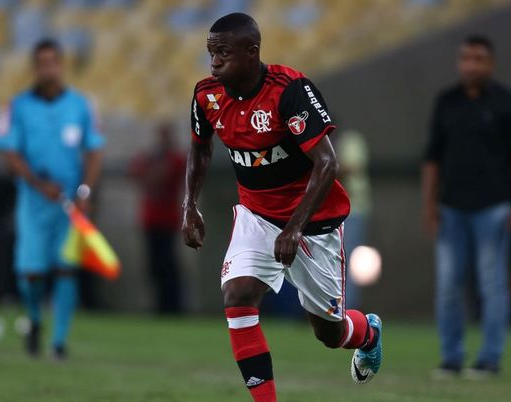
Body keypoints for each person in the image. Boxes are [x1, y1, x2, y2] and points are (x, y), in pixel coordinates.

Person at [182, 13, 383, 401]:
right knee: (238, 295)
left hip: (313, 223)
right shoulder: (207, 94)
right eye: (211, 53)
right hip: (256, 216)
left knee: (330, 332)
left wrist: (293, 227)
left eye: (223, 52)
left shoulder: (289, 90)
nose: (214, 62)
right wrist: (190, 204)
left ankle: (368, 332)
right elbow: (199, 147)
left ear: (252, 52)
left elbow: (327, 164)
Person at [421, 35, 511, 377]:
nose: (471, 65)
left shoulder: (509, 103)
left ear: (491, 63)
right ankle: (451, 357)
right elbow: (432, 159)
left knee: (492, 284)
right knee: (448, 285)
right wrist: (428, 204)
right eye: (466, 58)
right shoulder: (446, 101)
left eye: (478, 59)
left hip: (494, 208)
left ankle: (489, 358)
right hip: (451, 206)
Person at [0, 39, 105, 360]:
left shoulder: (82, 105)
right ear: (34, 67)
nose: (48, 68)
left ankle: (58, 343)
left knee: (67, 269)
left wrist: (85, 191)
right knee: (31, 274)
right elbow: (8, 152)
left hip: (70, 205)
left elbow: (95, 150)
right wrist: (37, 182)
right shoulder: (17, 107)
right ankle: (35, 319)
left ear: (61, 65)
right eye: (41, 63)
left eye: (53, 62)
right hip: (34, 202)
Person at [129, 124, 186, 314]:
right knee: (154, 264)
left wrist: (150, 169)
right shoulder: (150, 157)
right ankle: (160, 305)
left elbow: (162, 176)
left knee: (168, 264)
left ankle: (172, 306)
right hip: (150, 219)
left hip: (168, 220)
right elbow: (134, 171)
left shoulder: (175, 158)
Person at [335, 129, 372, 309]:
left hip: (353, 209)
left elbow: (350, 168)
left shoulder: (350, 140)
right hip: (334, 212)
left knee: (348, 260)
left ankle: (347, 307)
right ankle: (333, 307)